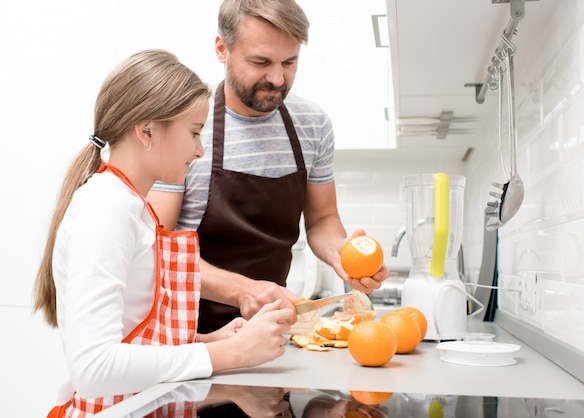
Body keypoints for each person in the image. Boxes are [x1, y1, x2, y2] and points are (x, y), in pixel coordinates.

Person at [33, 49, 294, 417]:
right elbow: (94, 369)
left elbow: (133, 337)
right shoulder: (106, 210)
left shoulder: (131, 207)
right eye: (194, 133)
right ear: (146, 131)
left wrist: (211, 340)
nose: (200, 150)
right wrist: (229, 353)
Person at [148, 0, 391, 334]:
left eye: (289, 62)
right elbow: (157, 247)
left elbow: (322, 219)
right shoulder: (186, 123)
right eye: (260, 61)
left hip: (270, 331)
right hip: (188, 335)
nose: (277, 79)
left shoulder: (313, 124)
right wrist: (243, 290)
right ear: (223, 49)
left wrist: (343, 257)